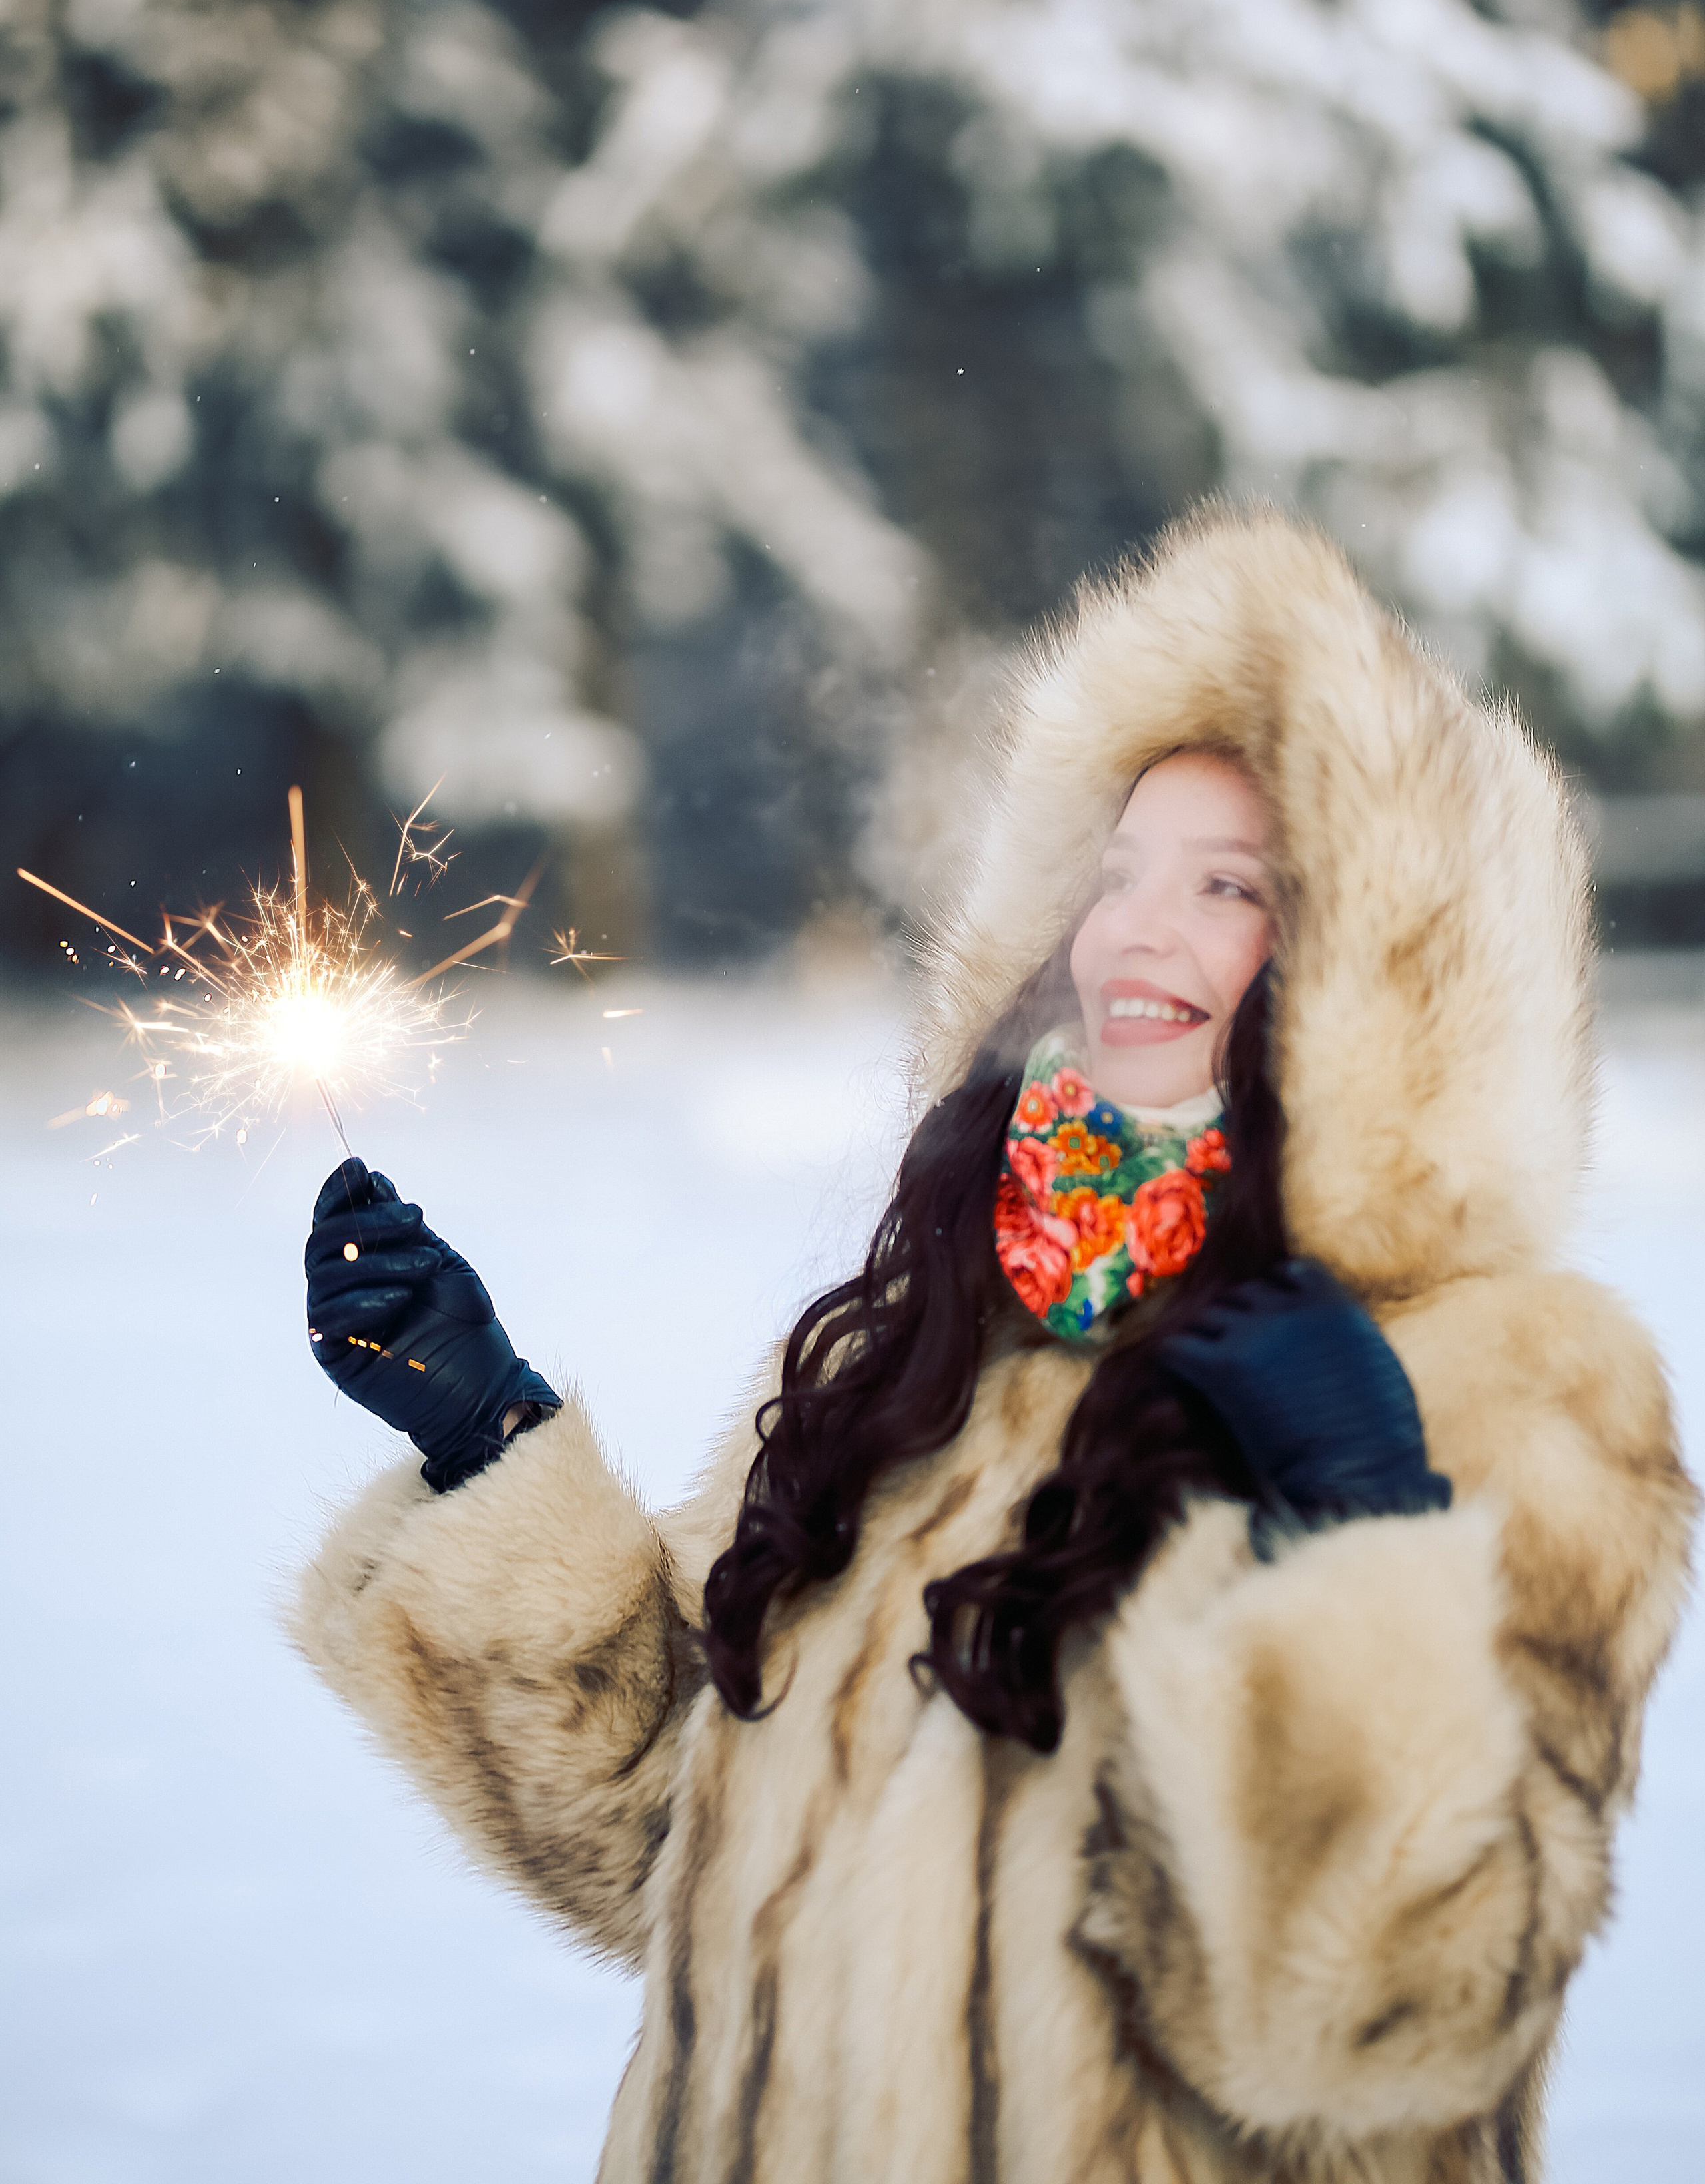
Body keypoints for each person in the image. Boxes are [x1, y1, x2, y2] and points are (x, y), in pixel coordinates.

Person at [293, 509, 1696, 2183]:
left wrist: (1360, 1535)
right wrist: (494, 1442)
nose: (1132, 934)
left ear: (1377, 972)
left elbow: (1386, 2030)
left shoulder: (1515, 1385)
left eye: (1226, 886)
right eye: (1111, 875)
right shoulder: (935, 1333)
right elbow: (653, 1839)